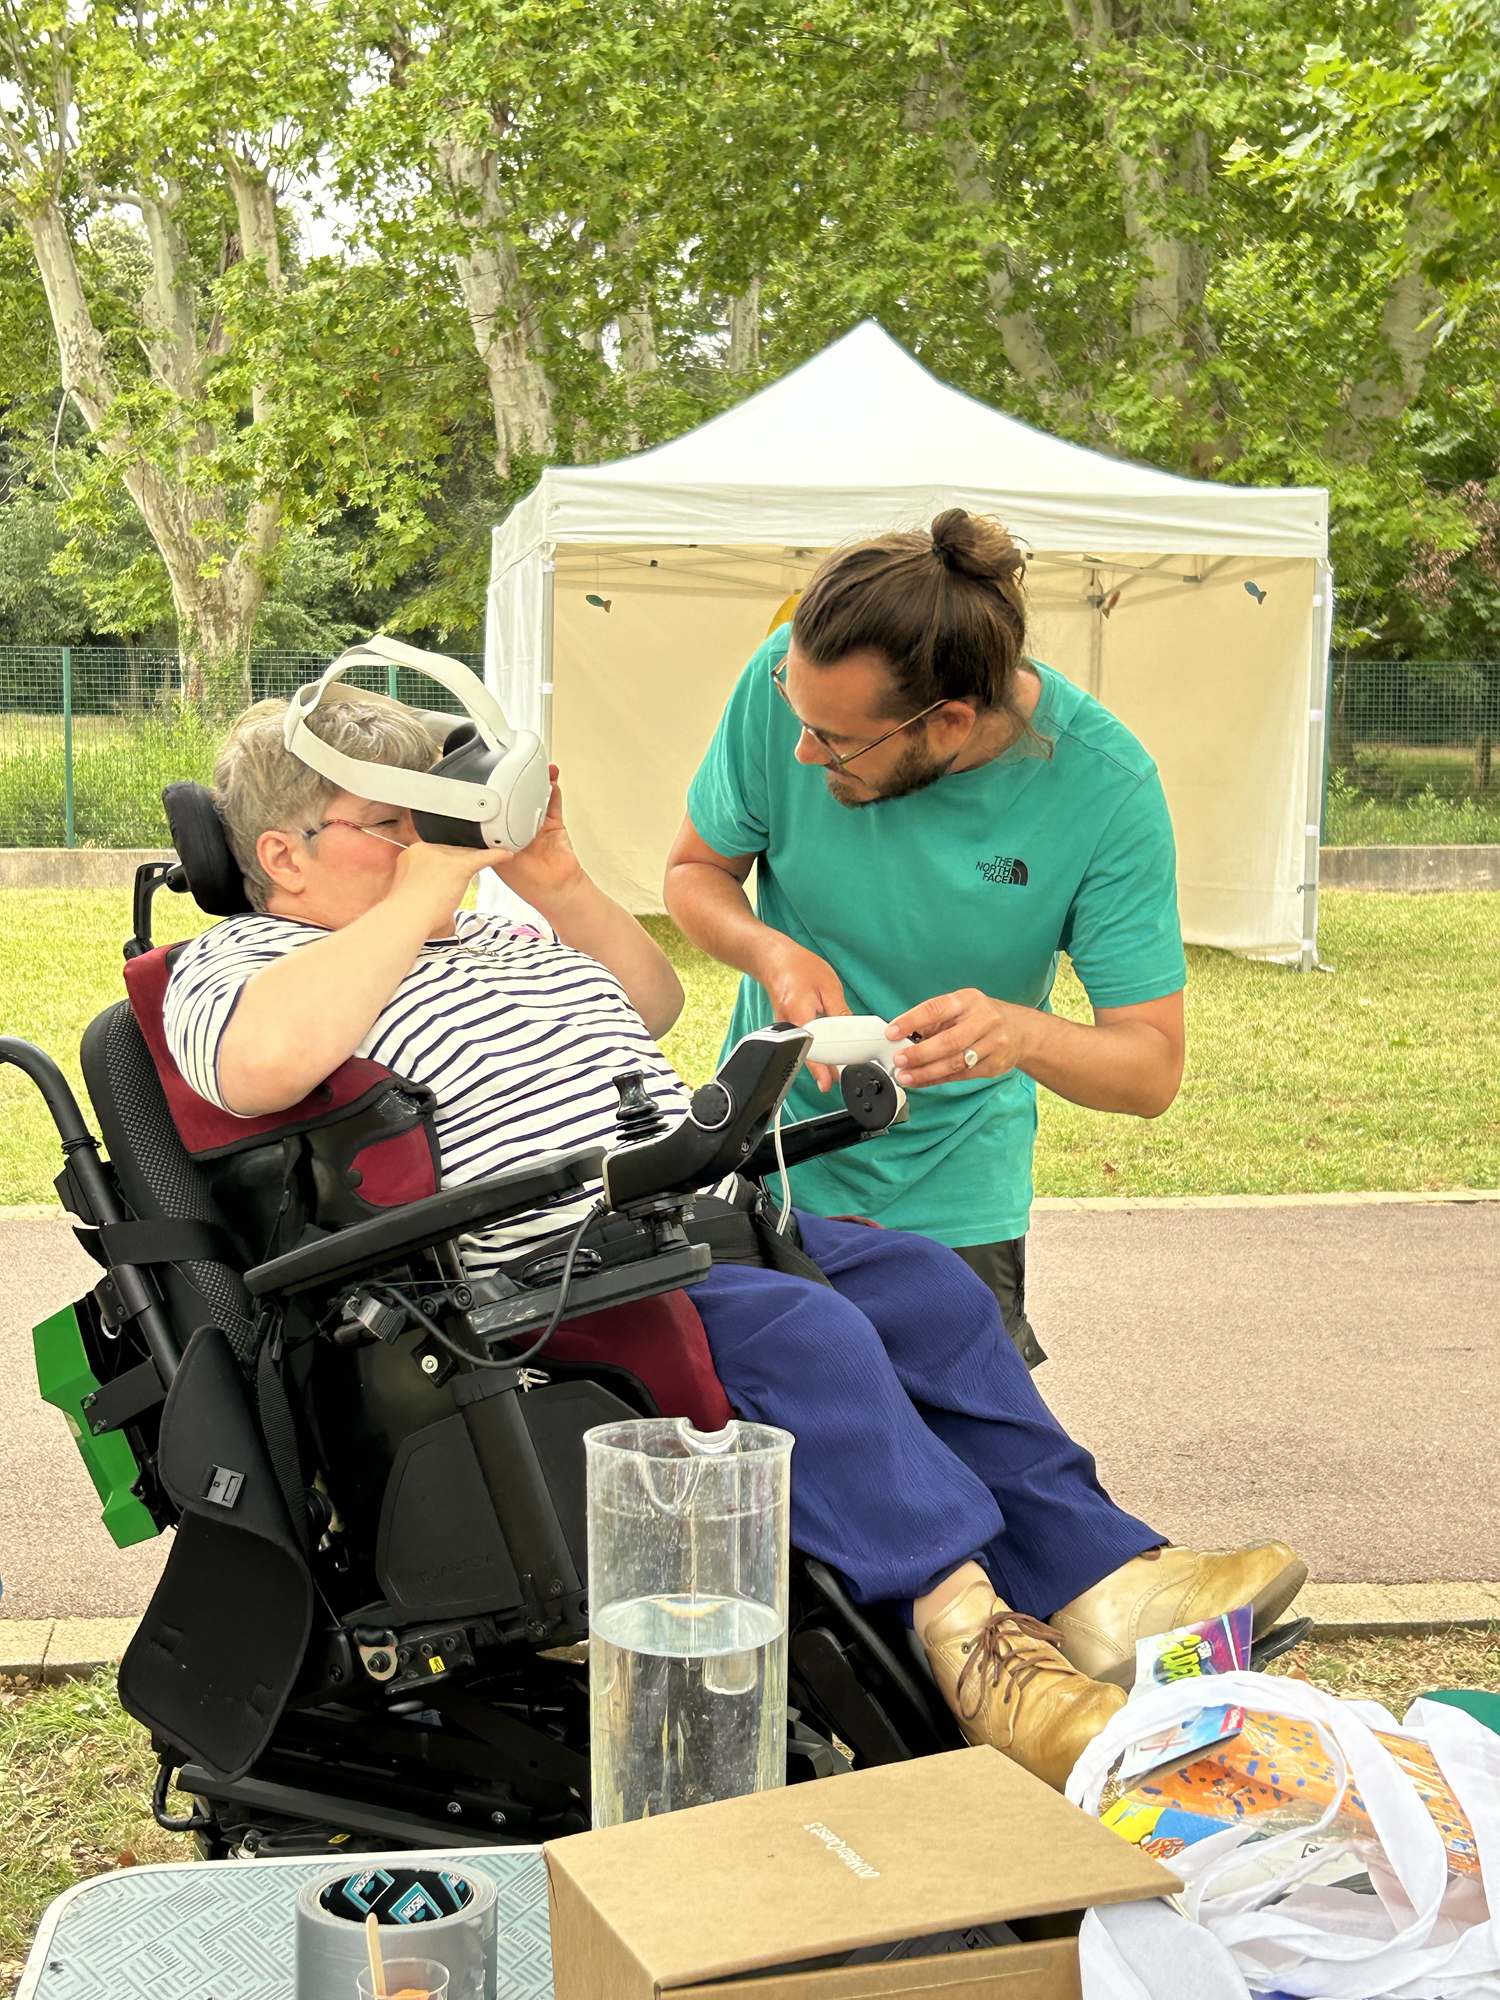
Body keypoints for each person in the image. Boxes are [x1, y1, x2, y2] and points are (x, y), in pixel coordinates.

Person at [161, 690, 1306, 1792]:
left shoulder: (489, 936)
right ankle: (975, 1648)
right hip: (542, 1282)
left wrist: (552, 879)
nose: (428, 844)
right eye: (392, 823)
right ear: (286, 856)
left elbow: (649, 998)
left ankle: (1101, 1582)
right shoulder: (242, 965)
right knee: (807, 1337)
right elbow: (261, 1065)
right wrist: (427, 885)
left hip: (697, 1216)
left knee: (931, 1289)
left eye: (436, 817)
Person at [665, 510, 1188, 1367]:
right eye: (797, 713)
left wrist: (1019, 1033)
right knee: (769, 1441)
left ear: (947, 724)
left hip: (957, 1203)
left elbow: (1151, 1068)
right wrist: (773, 953)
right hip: (771, 1166)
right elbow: (694, 871)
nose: (801, 753)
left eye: (835, 741)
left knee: (957, 1447)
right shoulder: (791, 682)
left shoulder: (1108, 790)